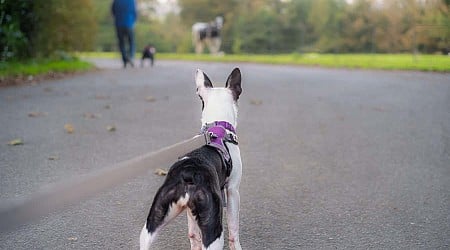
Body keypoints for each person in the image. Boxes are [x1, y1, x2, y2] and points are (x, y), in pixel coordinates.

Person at [112, 0, 137, 68]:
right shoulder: (131, 1)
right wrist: (134, 21)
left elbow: (113, 11)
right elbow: (135, 12)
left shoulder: (116, 1)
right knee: (131, 42)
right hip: (129, 23)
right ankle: (131, 57)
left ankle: (125, 59)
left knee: (121, 43)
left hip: (119, 24)